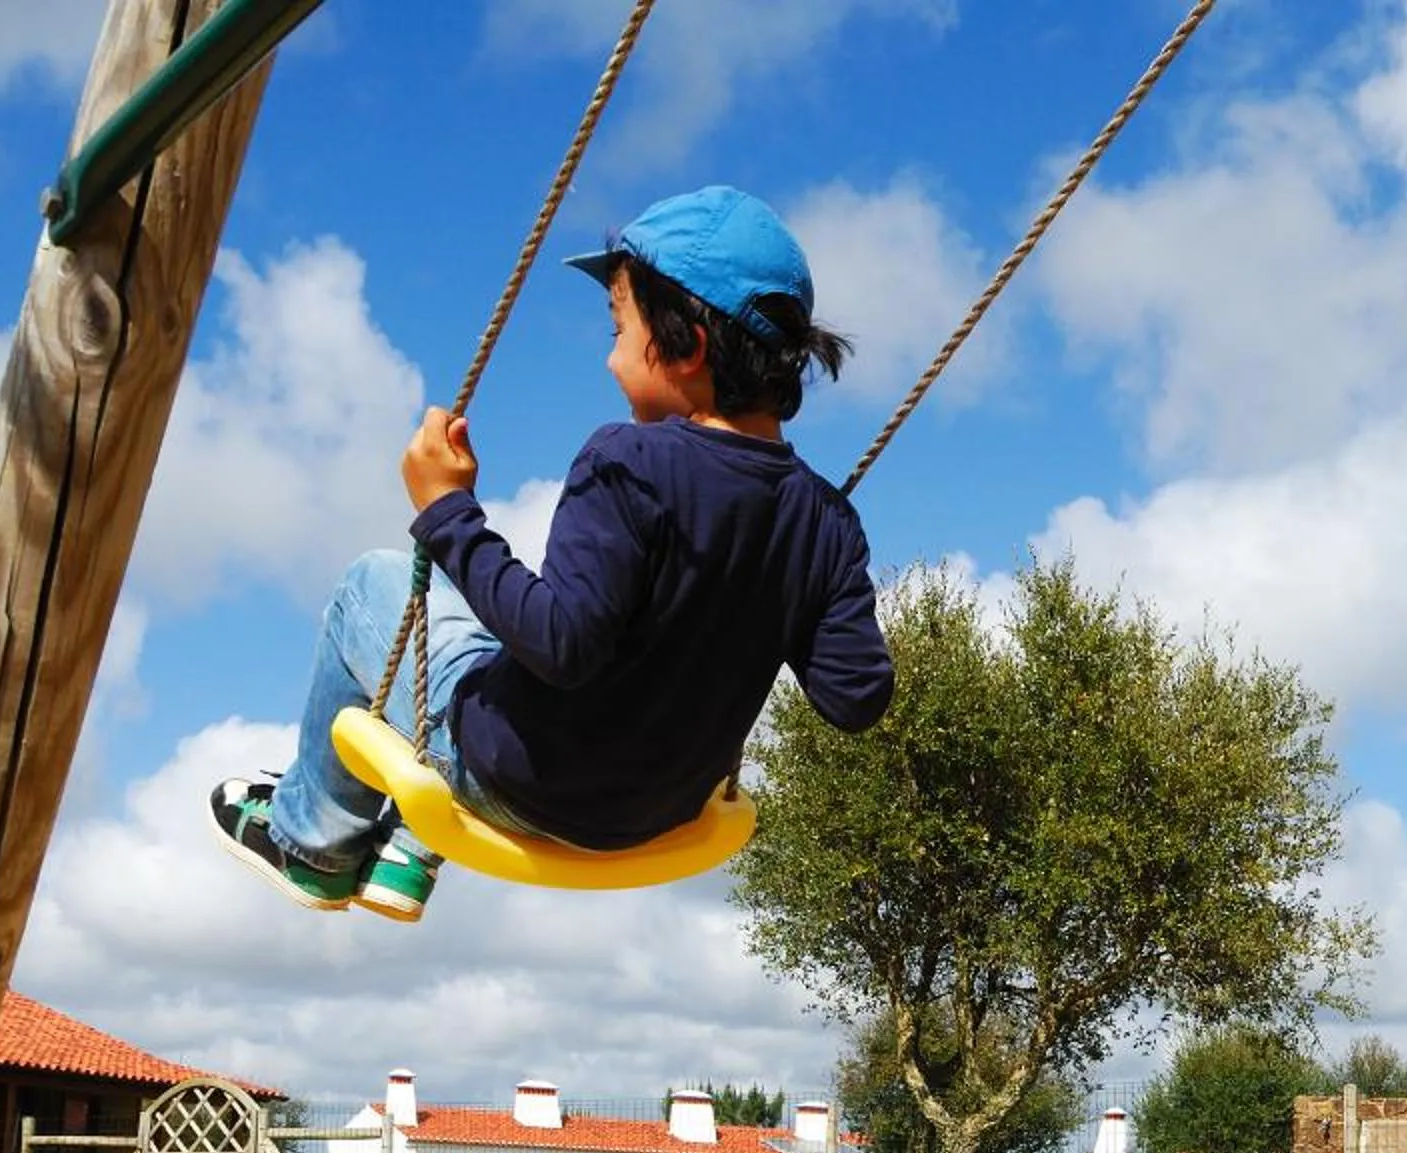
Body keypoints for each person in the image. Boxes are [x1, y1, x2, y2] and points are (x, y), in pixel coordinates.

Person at [209, 184, 894, 921]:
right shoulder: (825, 519)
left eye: (618, 333)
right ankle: (404, 852)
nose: (609, 361)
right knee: (476, 641)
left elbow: (560, 644)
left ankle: (316, 843)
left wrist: (448, 512)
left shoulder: (629, 459)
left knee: (371, 587)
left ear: (687, 347)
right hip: (655, 814)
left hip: (515, 780)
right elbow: (856, 698)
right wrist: (793, 591)